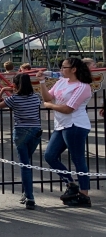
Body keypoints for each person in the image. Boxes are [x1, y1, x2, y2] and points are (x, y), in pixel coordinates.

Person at [39, 57, 93, 207]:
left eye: (64, 67)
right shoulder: (61, 81)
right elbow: (48, 97)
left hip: (75, 125)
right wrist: (42, 82)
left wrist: (50, 105)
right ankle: (71, 184)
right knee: (50, 155)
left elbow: (69, 108)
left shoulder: (82, 86)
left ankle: (84, 194)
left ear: (74, 69)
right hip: (61, 125)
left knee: (77, 158)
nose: (61, 70)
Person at [0, 73, 42, 210]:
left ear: (15, 85)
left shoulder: (14, 99)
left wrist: (2, 91)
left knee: (24, 164)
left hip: (21, 130)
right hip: (36, 130)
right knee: (27, 162)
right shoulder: (36, 97)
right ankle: (27, 193)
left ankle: (30, 196)